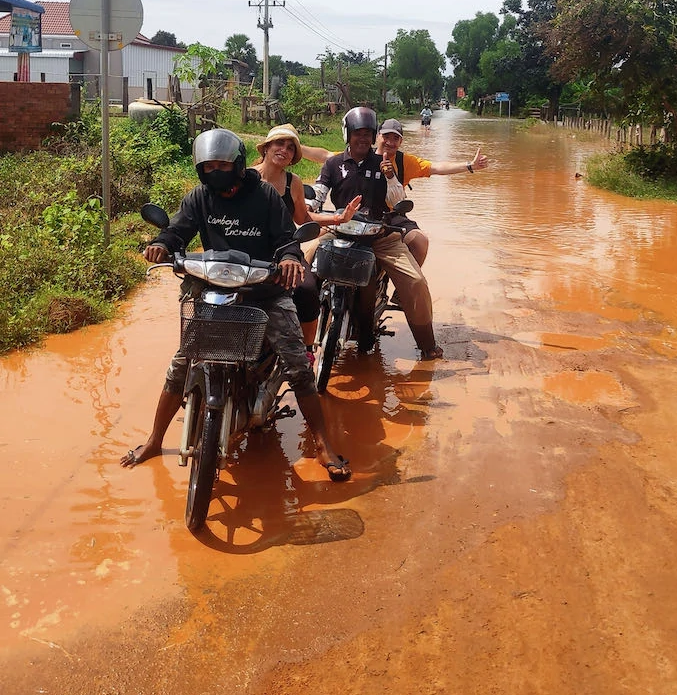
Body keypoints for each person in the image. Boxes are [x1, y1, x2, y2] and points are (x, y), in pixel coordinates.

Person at [120, 128, 351, 481]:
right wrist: (162, 243)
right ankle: (154, 440)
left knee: (296, 364)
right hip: (214, 289)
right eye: (208, 166)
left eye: (222, 165)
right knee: (181, 362)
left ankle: (322, 444)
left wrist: (290, 258)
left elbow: (287, 239)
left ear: (239, 164)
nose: (216, 171)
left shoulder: (265, 196)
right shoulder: (199, 197)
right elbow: (178, 230)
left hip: (264, 291)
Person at [313, 107, 443, 360]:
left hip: (380, 236)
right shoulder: (333, 164)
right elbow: (319, 191)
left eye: (367, 134)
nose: (362, 139)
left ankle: (428, 345)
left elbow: (397, 200)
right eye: (357, 133)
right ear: (347, 134)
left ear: (374, 137)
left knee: (415, 282)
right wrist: (310, 208)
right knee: (301, 264)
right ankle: (299, 341)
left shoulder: (384, 164)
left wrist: (391, 177)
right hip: (340, 231)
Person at [302, 117, 489, 268]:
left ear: (401, 141)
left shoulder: (405, 162)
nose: (390, 142)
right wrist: (292, 146)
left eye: (395, 138)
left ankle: (402, 295)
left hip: (390, 215)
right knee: (311, 248)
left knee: (419, 242)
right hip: (351, 217)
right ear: (378, 137)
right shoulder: (360, 155)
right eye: (386, 137)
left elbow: (437, 167)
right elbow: (326, 156)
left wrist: (469, 166)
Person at [254, 123, 362, 362]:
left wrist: (338, 218)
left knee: (307, 288)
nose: (284, 150)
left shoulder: (293, 182)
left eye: (291, 148)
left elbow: (302, 218)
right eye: (279, 144)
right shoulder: (246, 176)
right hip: (247, 249)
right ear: (266, 148)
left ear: (294, 156)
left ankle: (306, 349)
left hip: (283, 250)